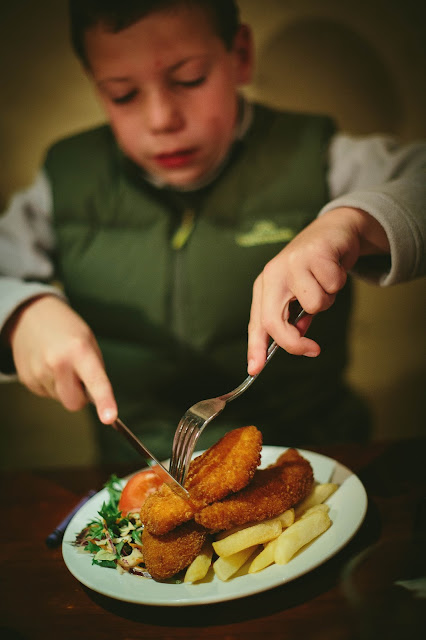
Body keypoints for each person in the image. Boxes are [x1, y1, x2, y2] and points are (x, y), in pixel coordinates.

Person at [1, 0, 425, 462]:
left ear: (239, 55)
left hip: (319, 458)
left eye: (190, 79)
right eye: (122, 94)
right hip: (139, 476)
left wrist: (350, 222)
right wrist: (18, 312)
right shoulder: (66, 177)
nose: (162, 119)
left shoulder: (314, 154)